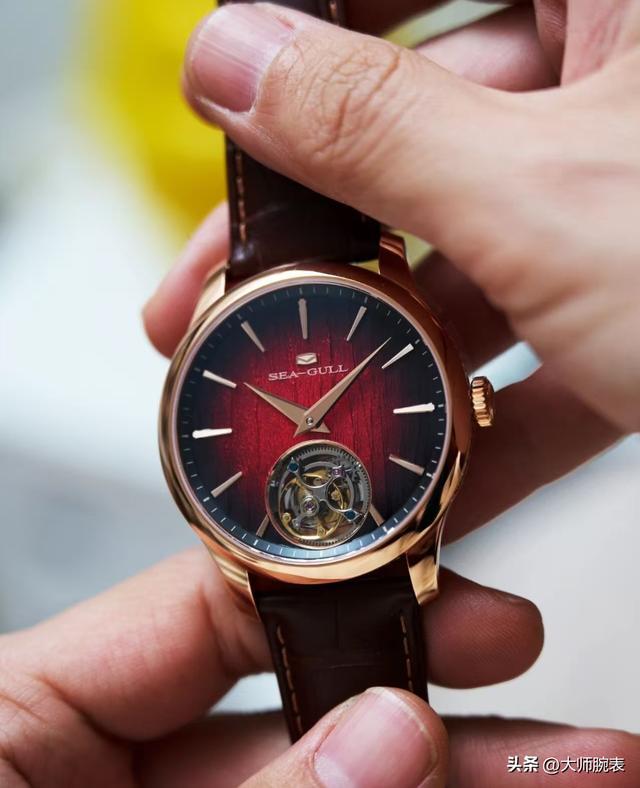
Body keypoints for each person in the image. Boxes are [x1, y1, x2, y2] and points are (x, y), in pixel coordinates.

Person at [2, 2, 639, 785]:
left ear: (466, 405)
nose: (309, 421)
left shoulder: (356, 288)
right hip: (319, 542)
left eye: (313, 413)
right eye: (305, 414)